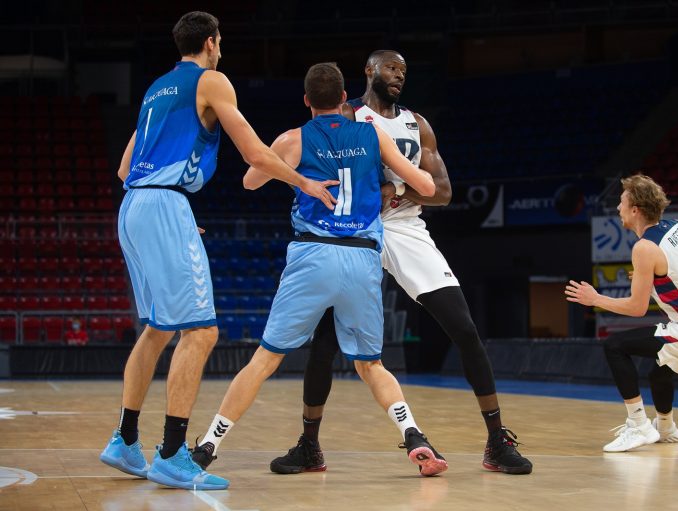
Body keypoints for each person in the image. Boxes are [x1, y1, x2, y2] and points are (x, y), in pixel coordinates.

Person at [98, 11, 337, 491]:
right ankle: (170, 453)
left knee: (158, 330)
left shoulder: (156, 89)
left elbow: (125, 170)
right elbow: (254, 153)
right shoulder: (211, 81)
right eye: (220, 41)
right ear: (211, 42)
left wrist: (169, 213)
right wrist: (305, 182)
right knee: (202, 333)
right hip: (162, 206)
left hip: (134, 205)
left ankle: (125, 440)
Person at [268, 50, 533, 475]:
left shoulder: (417, 124)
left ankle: (496, 442)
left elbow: (443, 191)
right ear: (369, 71)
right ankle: (309, 445)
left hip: (406, 229)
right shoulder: (345, 115)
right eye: (392, 68)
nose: (399, 76)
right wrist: (385, 185)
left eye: (405, 71)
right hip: (354, 232)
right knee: (324, 345)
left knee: (464, 329)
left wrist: (399, 192)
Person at [190, 62, 448, 479]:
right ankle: (414, 435)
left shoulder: (293, 139)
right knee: (371, 365)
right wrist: (390, 186)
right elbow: (428, 187)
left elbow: (251, 182)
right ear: (345, 98)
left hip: (313, 255)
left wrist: (296, 175)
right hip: (362, 258)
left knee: (265, 359)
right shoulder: (371, 134)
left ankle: (207, 446)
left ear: (307, 100)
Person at [565, 174, 678, 452]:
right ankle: (666, 428)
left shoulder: (644, 248)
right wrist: (656, 277)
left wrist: (595, 298)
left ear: (635, 209)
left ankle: (638, 424)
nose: (618, 208)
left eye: (621, 202)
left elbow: (637, 309)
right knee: (659, 373)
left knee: (615, 346)